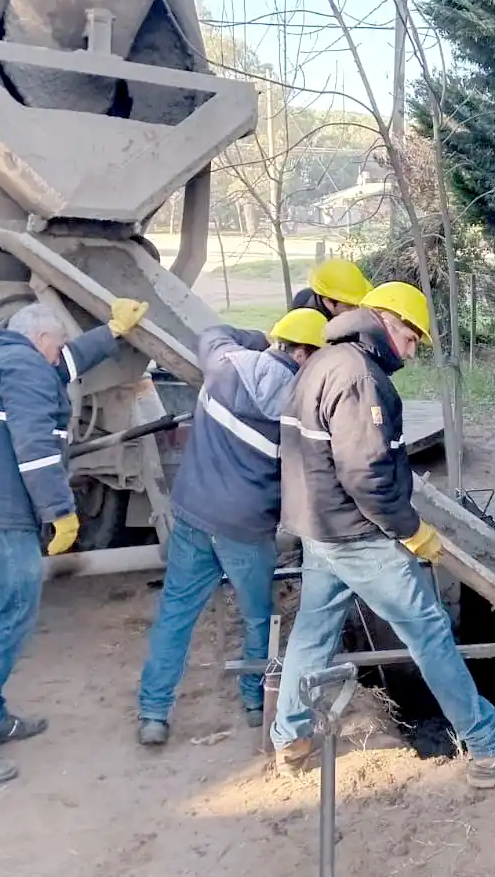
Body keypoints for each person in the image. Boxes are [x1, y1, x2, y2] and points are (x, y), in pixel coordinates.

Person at [273, 281, 495, 788]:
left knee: (313, 633)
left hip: (319, 529)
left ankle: (290, 737)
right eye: (411, 338)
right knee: (431, 636)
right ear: (387, 321)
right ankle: (491, 750)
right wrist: (409, 531)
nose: (412, 350)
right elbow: (365, 475)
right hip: (357, 534)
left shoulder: (323, 360)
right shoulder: (360, 376)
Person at [0, 297, 149, 785]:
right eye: (58, 348)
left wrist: (111, 332)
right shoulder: (26, 368)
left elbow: (61, 367)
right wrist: (60, 512)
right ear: (41, 341)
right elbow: (35, 451)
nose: (60, 357)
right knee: (6, 619)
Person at [136, 307, 328, 746]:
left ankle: (153, 713)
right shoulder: (299, 409)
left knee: (175, 615)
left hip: (192, 514)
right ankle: (254, 701)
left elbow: (214, 331)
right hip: (246, 529)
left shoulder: (224, 364)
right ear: (302, 355)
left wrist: (256, 336)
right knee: (259, 616)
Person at [290, 257, 372, 317]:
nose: (357, 310)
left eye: (359, 305)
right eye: (349, 306)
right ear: (328, 302)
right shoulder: (308, 323)